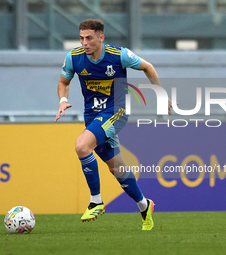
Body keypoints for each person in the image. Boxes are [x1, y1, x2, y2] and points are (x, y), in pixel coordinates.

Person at [55, 19, 173, 230]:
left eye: (89, 38)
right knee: (117, 168)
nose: (85, 43)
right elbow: (63, 82)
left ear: (101, 37)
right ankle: (144, 205)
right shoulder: (74, 58)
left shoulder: (119, 55)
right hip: (92, 116)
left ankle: (96, 200)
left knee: (82, 146)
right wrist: (63, 101)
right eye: (82, 38)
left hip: (117, 111)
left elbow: (148, 67)